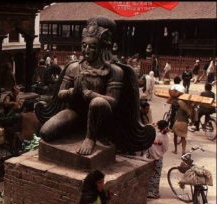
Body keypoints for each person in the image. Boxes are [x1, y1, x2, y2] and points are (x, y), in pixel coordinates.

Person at [36, 16, 155, 155]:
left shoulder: (114, 71)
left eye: (92, 46)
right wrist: (74, 91)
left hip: (102, 117)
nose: (86, 50)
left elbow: (113, 101)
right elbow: (60, 94)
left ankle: (90, 138)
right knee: (45, 132)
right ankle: (78, 128)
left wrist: (90, 94)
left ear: (102, 47)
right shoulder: (74, 67)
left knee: (97, 102)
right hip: (77, 112)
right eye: (84, 45)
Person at [146, 120, 169, 199]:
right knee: (156, 176)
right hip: (159, 159)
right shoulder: (165, 137)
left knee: (150, 175)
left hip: (150, 158)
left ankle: (148, 192)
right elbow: (165, 149)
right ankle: (154, 193)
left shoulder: (154, 135)